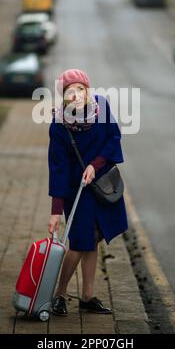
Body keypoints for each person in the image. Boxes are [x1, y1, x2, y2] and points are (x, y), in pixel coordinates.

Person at [48, 68, 128, 316]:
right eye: (69, 91)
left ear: (87, 90)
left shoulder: (101, 107)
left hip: (100, 183)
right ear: (63, 97)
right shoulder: (60, 124)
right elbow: (58, 167)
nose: (76, 94)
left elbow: (114, 137)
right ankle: (60, 294)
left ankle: (87, 296)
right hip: (76, 191)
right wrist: (55, 211)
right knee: (80, 241)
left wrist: (96, 165)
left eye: (80, 89)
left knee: (93, 238)